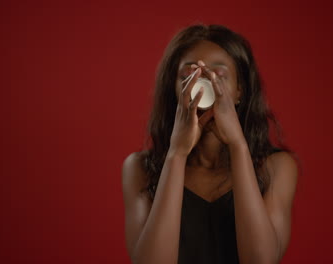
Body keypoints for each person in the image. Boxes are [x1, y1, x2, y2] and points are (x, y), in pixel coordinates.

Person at [121, 24, 298, 264]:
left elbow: (261, 260)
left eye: (219, 75)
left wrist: (237, 145)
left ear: (239, 91)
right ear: (174, 89)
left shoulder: (276, 166)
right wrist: (177, 154)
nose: (204, 82)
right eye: (188, 76)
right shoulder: (139, 168)